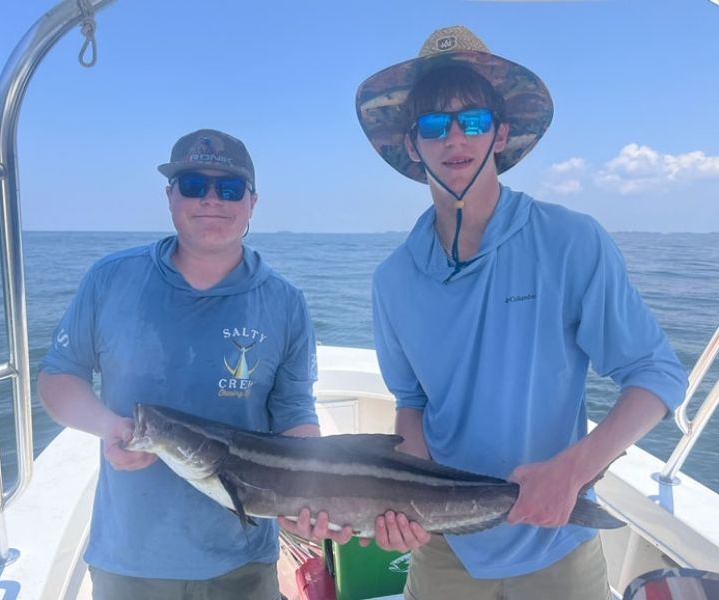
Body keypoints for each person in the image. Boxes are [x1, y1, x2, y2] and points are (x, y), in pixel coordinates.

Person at [354, 26, 688, 599]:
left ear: (500, 133)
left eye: (474, 120)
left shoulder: (570, 241)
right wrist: (404, 502)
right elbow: (412, 405)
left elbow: (656, 375)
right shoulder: (393, 280)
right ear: (412, 145)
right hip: (446, 547)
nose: (454, 136)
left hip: (556, 538)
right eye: (434, 124)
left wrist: (572, 471)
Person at [37, 128, 347, 600]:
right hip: (130, 559)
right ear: (169, 196)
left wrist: (309, 494)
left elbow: (294, 413)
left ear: (252, 203)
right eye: (193, 185)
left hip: (243, 562)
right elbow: (59, 380)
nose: (211, 201)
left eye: (228, 189)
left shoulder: (285, 302)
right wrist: (109, 426)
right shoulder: (110, 279)